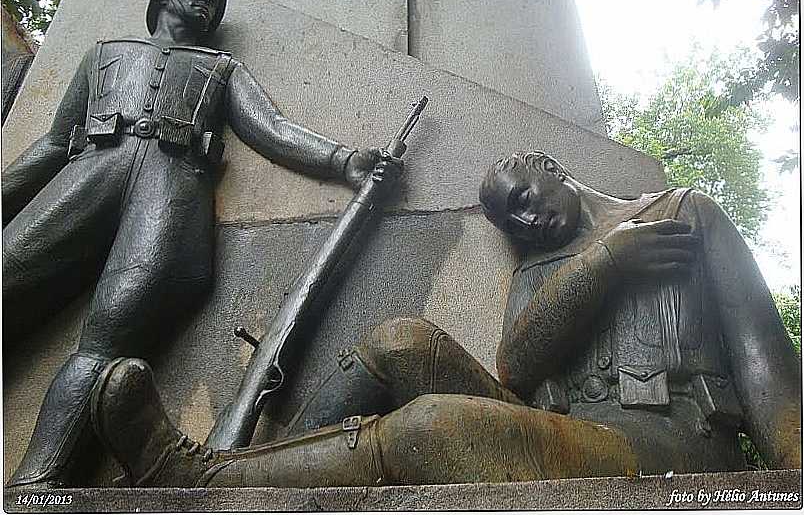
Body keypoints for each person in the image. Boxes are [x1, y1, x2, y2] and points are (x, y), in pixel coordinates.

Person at [88, 151, 801, 487]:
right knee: (401, 340)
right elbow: (516, 370)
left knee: (432, 423)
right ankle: (248, 476)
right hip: (569, 436)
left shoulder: (684, 215)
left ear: (554, 166)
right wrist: (602, 265)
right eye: (510, 217)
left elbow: (767, 365)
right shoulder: (544, 269)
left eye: (525, 196)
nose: (526, 217)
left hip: (668, 454)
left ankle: (207, 484)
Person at [3, 0, 388, 489]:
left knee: (107, 340)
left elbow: (268, 127)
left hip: (169, 191)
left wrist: (342, 160)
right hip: (89, 173)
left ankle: (35, 486)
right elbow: (52, 144)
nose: (208, 0)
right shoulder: (103, 54)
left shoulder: (222, 70)